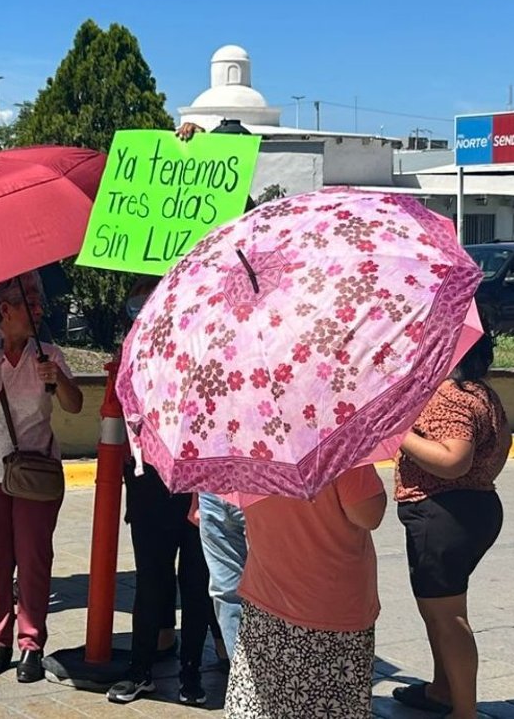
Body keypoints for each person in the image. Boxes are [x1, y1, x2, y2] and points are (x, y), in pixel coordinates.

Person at [0, 273, 82, 683]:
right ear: (5, 311)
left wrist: (55, 377)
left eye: (39, 302)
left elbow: (75, 406)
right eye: (30, 302)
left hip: (36, 471)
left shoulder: (48, 353)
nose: (39, 309)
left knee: (33, 558)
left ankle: (31, 643)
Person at [107, 278, 216, 706]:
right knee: (151, 581)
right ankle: (140, 670)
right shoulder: (133, 355)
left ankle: (192, 672)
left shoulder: (207, 351)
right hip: (148, 480)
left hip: (196, 483)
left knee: (196, 581)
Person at [390, 333, 510, 718]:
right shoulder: (482, 392)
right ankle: (443, 688)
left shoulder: (446, 394)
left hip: (441, 513)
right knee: (436, 608)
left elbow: (454, 458)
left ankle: (464, 709)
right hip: (474, 507)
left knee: (448, 615)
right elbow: (504, 443)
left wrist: (398, 433)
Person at [175, 118, 257, 662]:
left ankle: (268, 682)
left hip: (258, 468)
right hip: (214, 471)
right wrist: (185, 161)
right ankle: (246, 679)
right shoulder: (195, 307)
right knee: (223, 588)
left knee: (265, 585)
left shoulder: (262, 247)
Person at [223, 465, 386, 717]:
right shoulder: (338, 445)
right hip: (328, 610)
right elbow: (369, 514)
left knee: (263, 705)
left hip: (265, 601)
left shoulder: (247, 444)